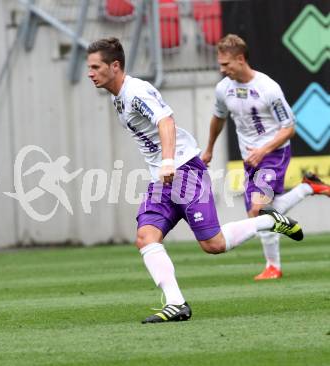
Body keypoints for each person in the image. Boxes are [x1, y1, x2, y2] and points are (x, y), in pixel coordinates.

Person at [86, 37, 303, 324]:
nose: (90, 73)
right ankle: (176, 304)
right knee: (145, 237)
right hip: (161, 180)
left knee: (213, 244)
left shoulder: (135, 93)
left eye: (95, 66)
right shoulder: (118, 96)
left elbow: (166, 120)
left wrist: (167, 161)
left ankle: (269, 220)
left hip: (184, 170)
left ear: (115, 66)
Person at [201, 34, 330, 281]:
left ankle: (274, 265)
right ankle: (306, 188)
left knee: (258, 210)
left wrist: (264, 150)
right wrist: (209, 149)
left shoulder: (268, 88)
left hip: (274, 154)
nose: (222, 69)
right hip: (250, 160)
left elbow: (289, 127)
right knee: (263, 212)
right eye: (220, 64)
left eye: (226, 64)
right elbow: (218, 118)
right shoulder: (223, 89)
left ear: (240, 59)